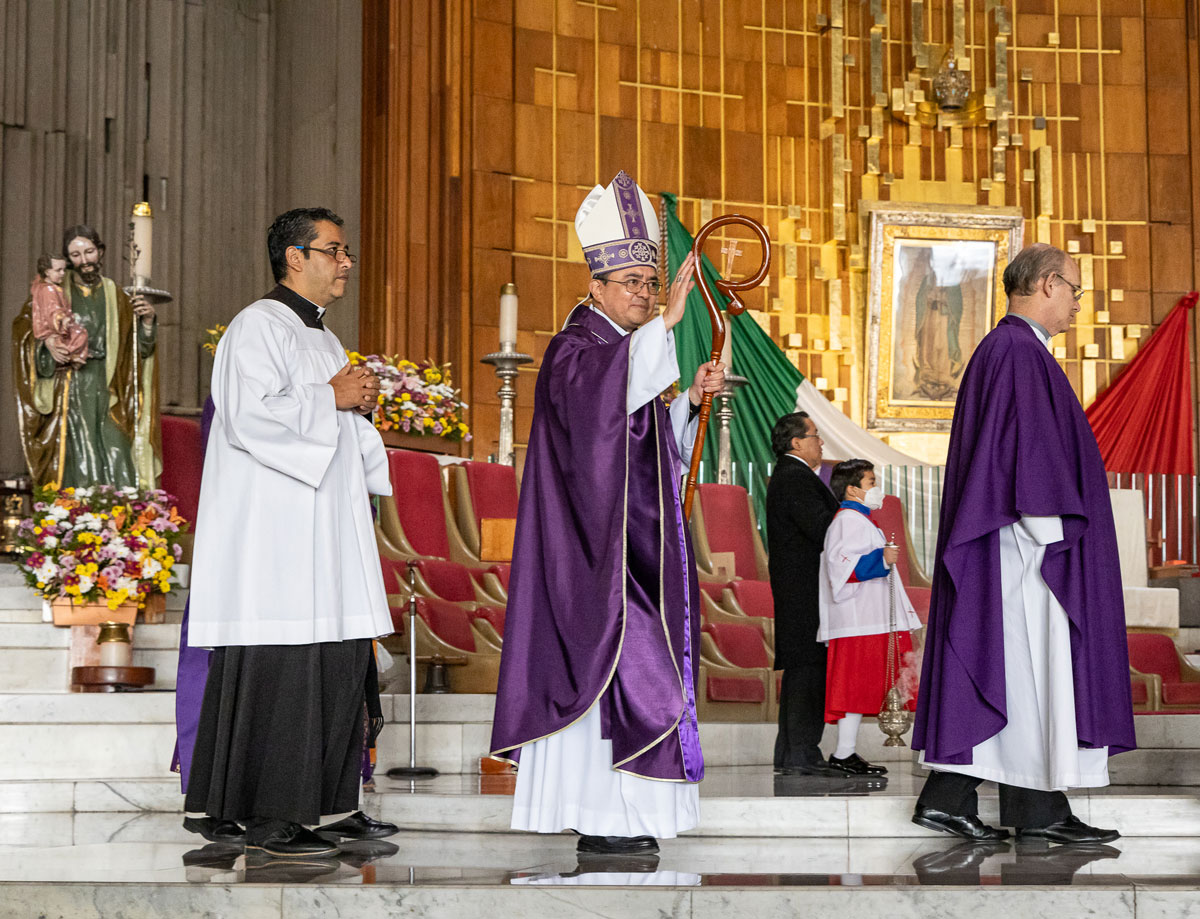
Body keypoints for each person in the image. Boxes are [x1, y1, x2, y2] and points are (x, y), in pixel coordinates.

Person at [490, 171, 724, 857]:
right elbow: (596, 425)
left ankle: (627, 813)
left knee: (645, 669)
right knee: (623, 666)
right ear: (594, 285)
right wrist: (670, 326)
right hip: (595, 559)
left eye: (650, 284)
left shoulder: (621, 352)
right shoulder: (577, 350)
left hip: (634, 551)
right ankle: (601, 814)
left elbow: (648, 447)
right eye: (631, 283)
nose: (644, 294)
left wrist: (687, 404)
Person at [184, 207, 398, 859]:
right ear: (295, 257)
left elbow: (330, 420)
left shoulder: (323, 337)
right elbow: (249, 418)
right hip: (277, 542)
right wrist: (332, 398)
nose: (346, 262)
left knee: (334, 660)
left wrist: (357, 406)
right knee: (288, 667)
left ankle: (327, 804)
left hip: (323, 534)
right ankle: (273, 815)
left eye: (346, 250)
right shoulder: (257, 326)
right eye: (334, 250)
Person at [912, 242, 1135, 843]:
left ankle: (1011, 805)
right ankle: (1009, 805)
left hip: (1016, 544)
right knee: (1030, 672)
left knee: (1023, 676)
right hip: (1028, 548)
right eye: (1075, 291)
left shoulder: (1009, 349)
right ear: (1047, 284)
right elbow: (1027, 453)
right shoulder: (1016, 351)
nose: (1077, 305)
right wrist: (1058, 541)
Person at [12, 225, 160, 488]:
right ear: (68, 259)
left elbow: (139, 353)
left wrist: (147, 322)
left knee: (118, 452)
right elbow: (25, 330)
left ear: (100, 251)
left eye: (89, 251)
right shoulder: (53, 290)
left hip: (109, 385)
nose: (84, 260)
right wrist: (47, 343)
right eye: (76, 255)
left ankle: (122, 511)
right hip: (70, 387)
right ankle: (80, 512)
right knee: (80, 458)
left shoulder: (116, 294)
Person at [818, 459, 921, 775]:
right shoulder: (847, 521)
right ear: (852, 489)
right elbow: (840, 566)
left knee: (865, 687)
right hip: (859, 621)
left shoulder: (862, 521)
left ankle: (845, 753)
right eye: (871, 482)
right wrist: (881, 558)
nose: (877, 489)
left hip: (871, 619)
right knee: (855, 687)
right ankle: (843, 753)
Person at [766, 412, 840, 776]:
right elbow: (823, 528)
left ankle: (793, 753)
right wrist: (852, 516)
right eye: (815, 435)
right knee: (808, 670)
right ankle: (802, 754)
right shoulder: (795, 477)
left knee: (804, 671)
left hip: (803, 588)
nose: (821, 442)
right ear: (796, 442)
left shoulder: (792, 475)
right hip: (804, 590)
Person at [30, 255, 88, 366]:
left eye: (64, 270)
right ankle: (69, 354)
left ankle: (73, 354)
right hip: (52, 329)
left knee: (79, 333)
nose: (63, 273)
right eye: (58, 270)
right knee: (80, 333)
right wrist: (62, 319)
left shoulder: (52, 288)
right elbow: (52, 310)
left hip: (58, 327)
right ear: (47, 272)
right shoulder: (49, 289)